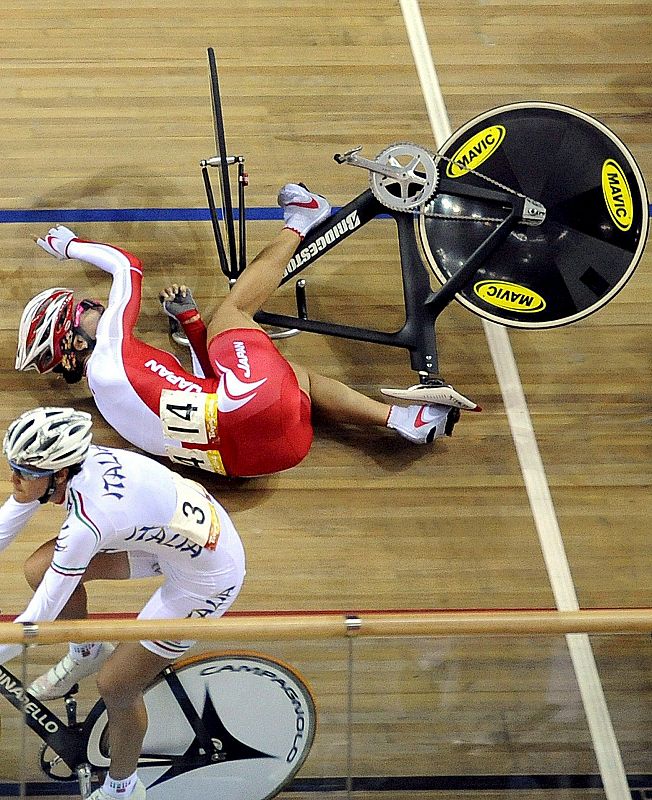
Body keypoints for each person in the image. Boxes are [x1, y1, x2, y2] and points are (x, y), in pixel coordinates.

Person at [15, 184, 479, 478]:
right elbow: (126, 267)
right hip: (252, 409)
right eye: (84, 308)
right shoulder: (111, 357)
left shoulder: (112, 401)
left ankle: (404, 421)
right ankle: (302, 218)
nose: (94, 304)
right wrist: (70, 245)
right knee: (232, 311)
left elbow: (209, 389)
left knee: (298, 377)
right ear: (76, 342)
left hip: (261, 459)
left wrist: (190, 323)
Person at [0, 406, 246, 800]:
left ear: (58, 474)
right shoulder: (67, 466)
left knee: (116, 683)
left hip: (207, 576)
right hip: (168, 542)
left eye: (24, 471)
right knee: (38, 569)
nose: (13, 477)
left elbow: (39, 618)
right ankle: (87, 650)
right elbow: (6, 524)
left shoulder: (90, 521)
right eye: (12, 465)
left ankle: (124, 788)